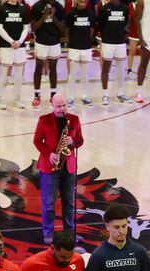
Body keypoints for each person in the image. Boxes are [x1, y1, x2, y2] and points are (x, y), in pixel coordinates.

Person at [33, 94, 85, 245]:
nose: (62, 109)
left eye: (64, 105)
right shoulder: (44, 120)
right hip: (50, 167)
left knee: (69, 202)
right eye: (58, 106)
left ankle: (70, 232)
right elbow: (37, 141)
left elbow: (80, 141)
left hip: (68, 167)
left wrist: (73, 141)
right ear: (52, 105)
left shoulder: (73, 119)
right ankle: (48, 234)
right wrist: (48, 154)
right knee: (49, 203)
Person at [30, 0, 66, 106]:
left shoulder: (59, 7)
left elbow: (63, 28)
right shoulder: (37, 6)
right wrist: (44, 16)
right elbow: (33, 28)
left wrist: (53, 17)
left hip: (54, 41)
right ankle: (37, 95)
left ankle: (53, 95)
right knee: (38, 68)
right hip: (41, 41)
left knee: (53, 68)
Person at [97, 0, 132, 105]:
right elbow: (101, 26)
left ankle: (120, 93)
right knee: (105, 70)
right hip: (108, 43)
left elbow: (126, 23)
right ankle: (105, 94)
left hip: (120, 43)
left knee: (121, 70)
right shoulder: (104, 9)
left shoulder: (125, 8)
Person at [0, 0, 28, 109]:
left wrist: (20, 41)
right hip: (6, 46)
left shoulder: (23, 9)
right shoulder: (1, 8)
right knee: (3, 72)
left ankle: (17, 98)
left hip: (20, 46)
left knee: (19, 73)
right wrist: (11, 41)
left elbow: (26, 28)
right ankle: (0, 98)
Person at [65, 0, 96, 107]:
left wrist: (87, 40)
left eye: (84, 2)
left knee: (85, 74)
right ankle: (70, 97)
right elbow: (67, 30)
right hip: (74, 48)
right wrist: (71, 42)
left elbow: (91, 30)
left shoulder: (91, 14)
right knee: (72, 74)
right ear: (77, 2)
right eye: (81, 2)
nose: (82, 4)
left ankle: (85, 96)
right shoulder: (71, 14)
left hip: (86, 48)